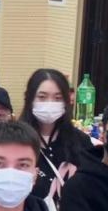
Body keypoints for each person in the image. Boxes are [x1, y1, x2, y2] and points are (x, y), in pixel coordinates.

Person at [20, 68, 94, 196]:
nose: (50, 103)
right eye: (42, 97)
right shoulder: (15, 139)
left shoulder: (81, 141)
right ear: (29, 98)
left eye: (57, 98)